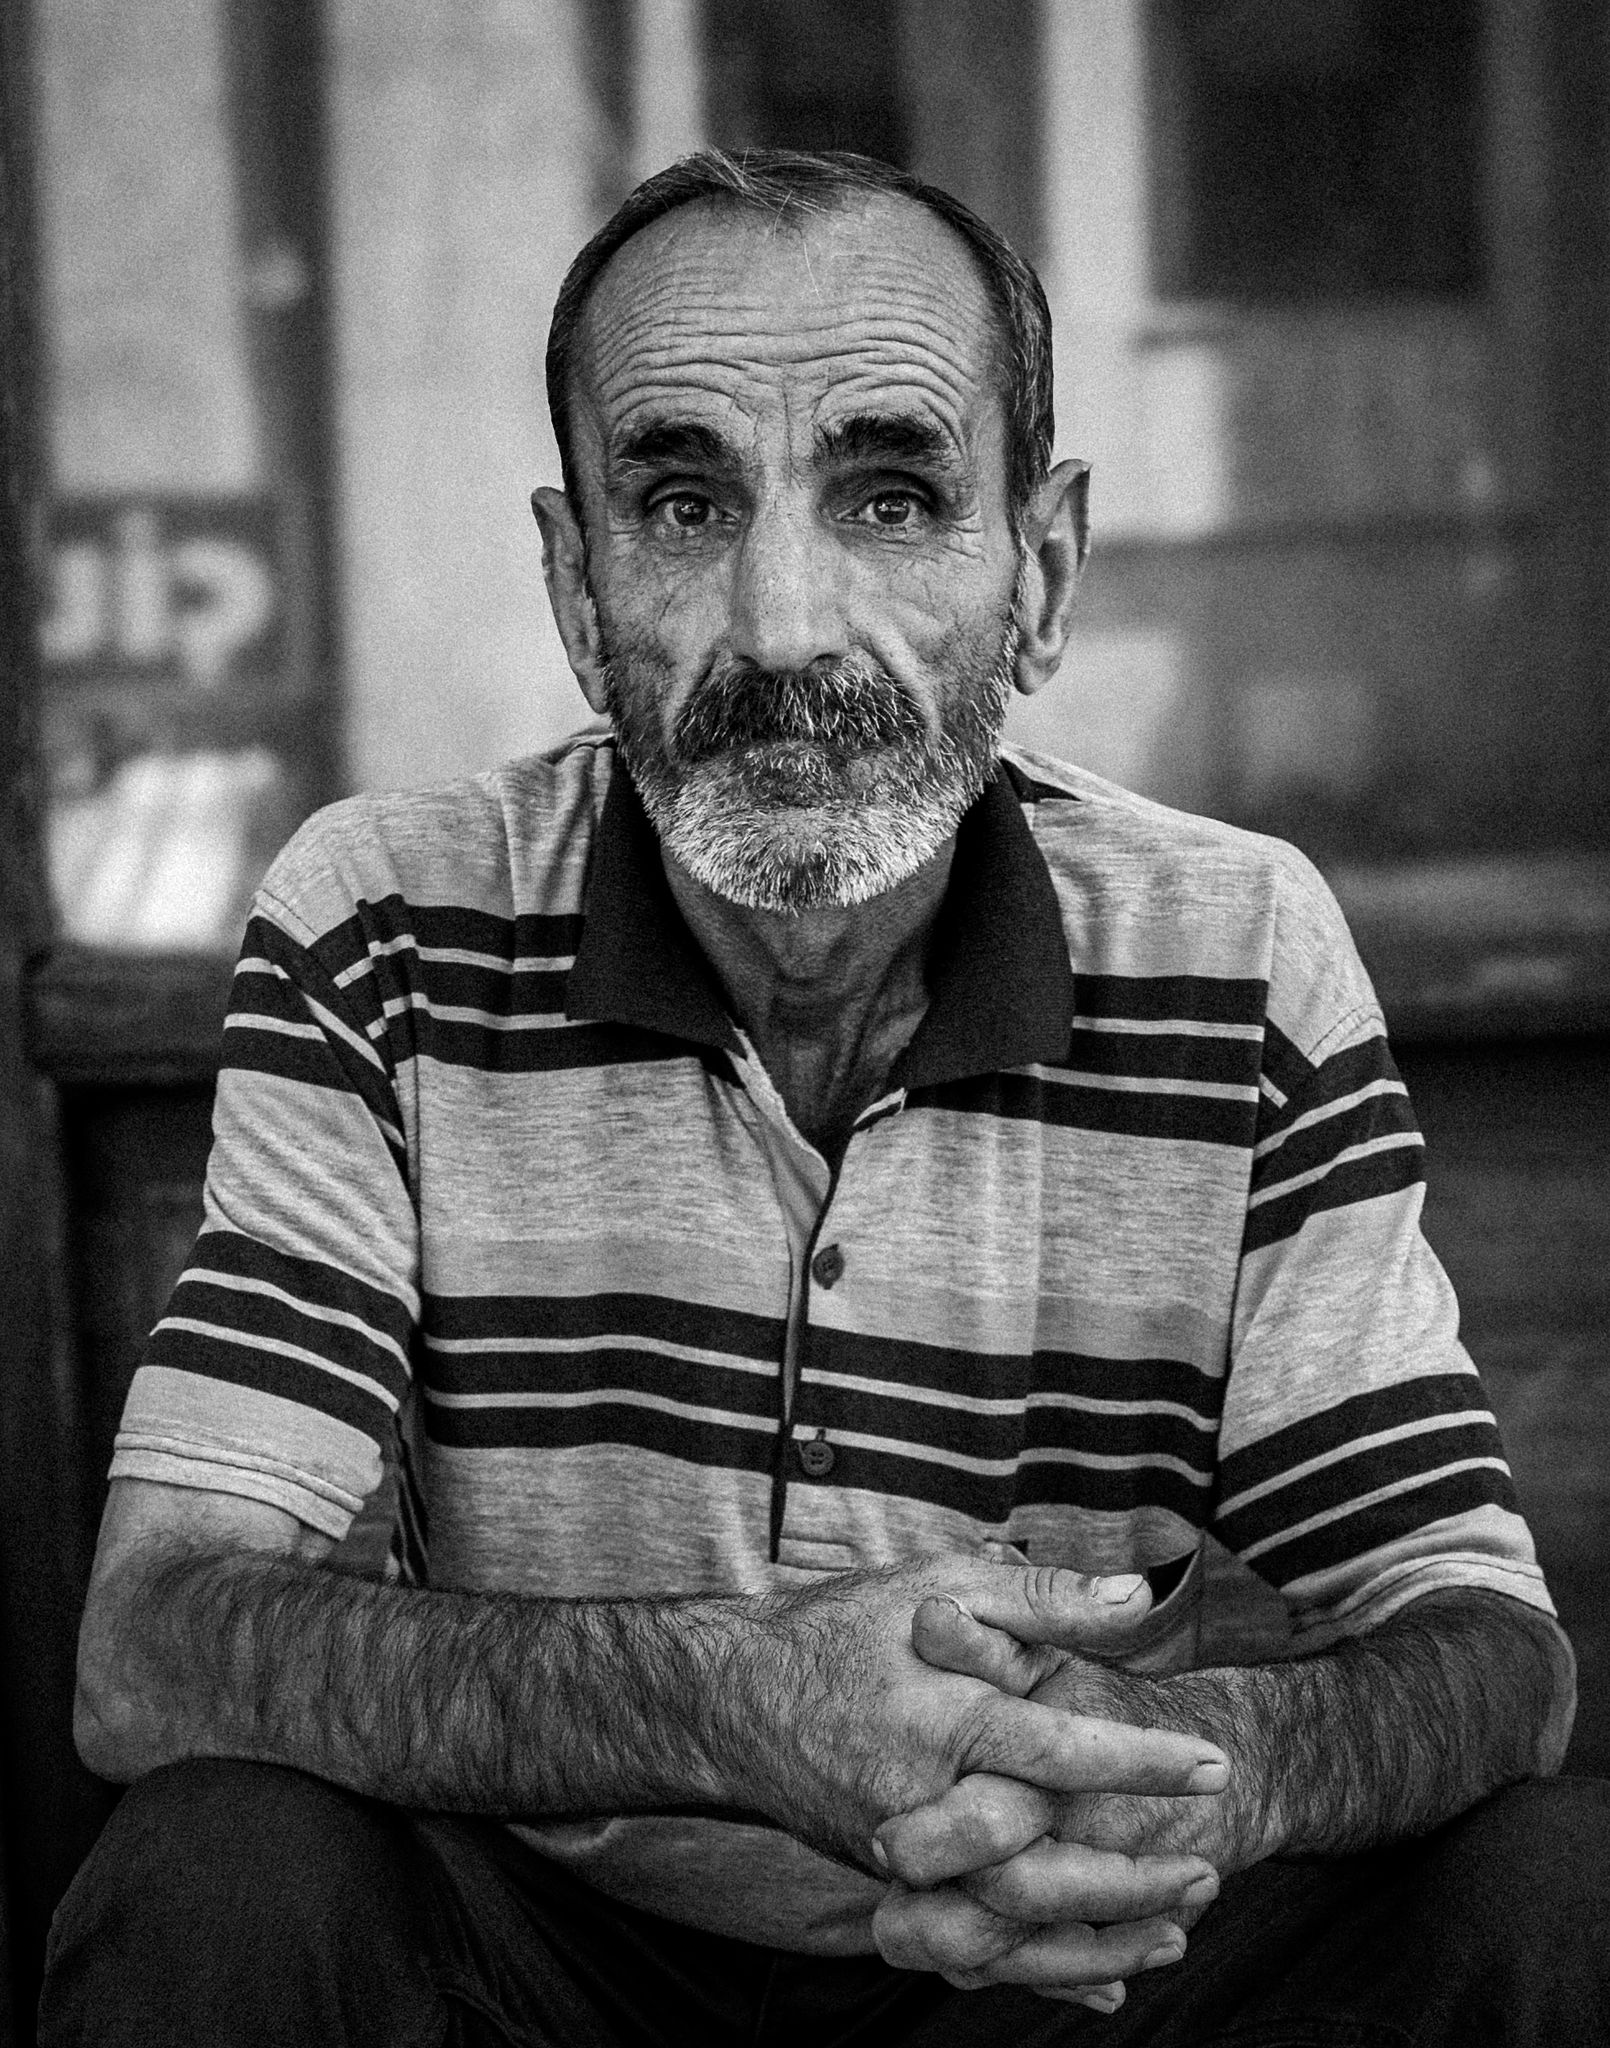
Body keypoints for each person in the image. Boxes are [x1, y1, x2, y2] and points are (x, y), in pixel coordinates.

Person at [41, 149, 1607, 2047]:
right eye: (680, 502)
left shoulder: (1235, 950)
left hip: (1068, 1976)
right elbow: (153, 1647)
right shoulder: (387, 925)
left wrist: (1187, 1765)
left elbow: (1489, 1653)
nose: (782, 625)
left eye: (890, 497)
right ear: (576, 585)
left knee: (1554, 1894)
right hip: (552, 1969)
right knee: (217, 1877)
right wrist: (726, 1700)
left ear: (1038, 576)